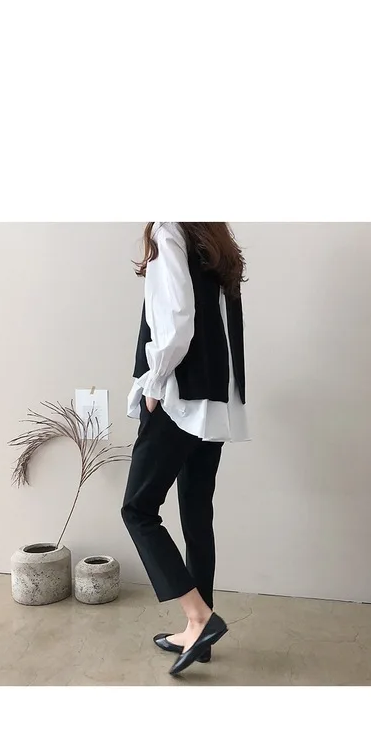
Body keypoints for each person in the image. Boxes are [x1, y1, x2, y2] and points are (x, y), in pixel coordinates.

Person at [121, 223, 247, 672]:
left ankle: (200, 618)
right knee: (196, 514)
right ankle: (199, 636)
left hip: (178, 397)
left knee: (138, 510)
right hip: (214, 399)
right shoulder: (211, 232)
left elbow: (177, 317)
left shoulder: (169, 227)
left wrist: (155, 382)